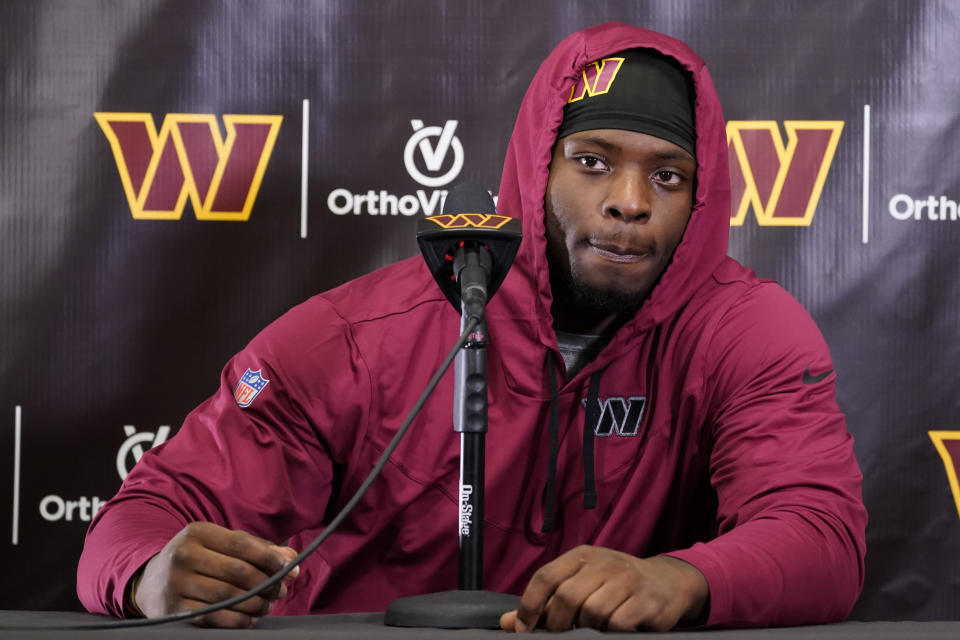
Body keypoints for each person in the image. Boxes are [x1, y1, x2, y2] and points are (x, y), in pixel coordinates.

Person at [77, 22, 866, 631]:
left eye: (667, 175)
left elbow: (821, 537)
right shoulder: (361, 334)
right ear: (535, 168)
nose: (630, 201)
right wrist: (148, 573)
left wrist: (685, 580)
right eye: (593, 161)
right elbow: (137, 521)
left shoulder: (744, 330)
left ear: (701, 199)